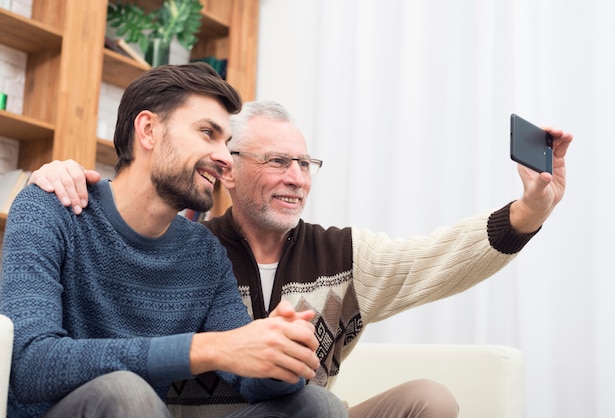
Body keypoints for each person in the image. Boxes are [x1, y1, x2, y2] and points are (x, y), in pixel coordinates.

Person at [28, 100, 573, 418]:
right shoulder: (191, 249)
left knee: (424, 400)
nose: (297, 177)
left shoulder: (343, 254)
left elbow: (437, 259)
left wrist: (529, 210)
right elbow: (129, 219)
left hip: (295, 413)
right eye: (279, 161)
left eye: (306, 163)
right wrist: (58, 176)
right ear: (229, 168)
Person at [0, 66, 349, 418]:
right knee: (126, 391)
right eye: (207, 133)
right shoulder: (50, 209)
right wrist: (207, 348)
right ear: (149, 130)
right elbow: (30, 363)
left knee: (317, 405)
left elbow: (247, 377)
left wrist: (281, 359)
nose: (225, 159)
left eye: (226, 144)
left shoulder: (202, 253)